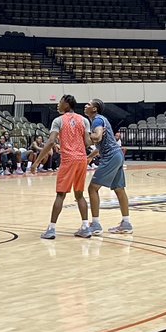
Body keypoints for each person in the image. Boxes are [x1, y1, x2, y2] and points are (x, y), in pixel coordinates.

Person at [33, 96, 95, 240]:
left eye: (60, 102)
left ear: (67, 104)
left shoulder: (58, 120)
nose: (58, 104)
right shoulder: (84, 120)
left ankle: (52, 229)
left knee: (60, 194)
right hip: (81, 159)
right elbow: (87, 142)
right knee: (79, 195)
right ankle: (85, 227)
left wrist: (36, 162)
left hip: (68, 160)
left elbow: (50, 142)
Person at [84, 99, 131, 235]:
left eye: (89, 104)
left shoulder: (97, 120)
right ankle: (126, 223)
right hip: (117, 154)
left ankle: (96, 224)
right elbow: (101, 144)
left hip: (111, 156)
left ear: (94, 109)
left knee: (92, 188)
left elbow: (97, 137)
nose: (86, 106)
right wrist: (90, 157)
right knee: (119, 189)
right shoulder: (101, 119)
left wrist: (86, 134)